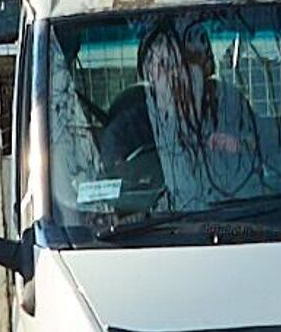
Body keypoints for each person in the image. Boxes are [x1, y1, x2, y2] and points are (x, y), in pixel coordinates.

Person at [100, 18, 270, 212]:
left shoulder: (231, 108)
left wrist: (239, 147)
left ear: (206, 69)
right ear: (148, 74)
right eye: (164, 65)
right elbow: (111, 192)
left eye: (187, 62)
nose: (176, 75)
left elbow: (268, 157)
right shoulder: (125, 130)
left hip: (234, 216)